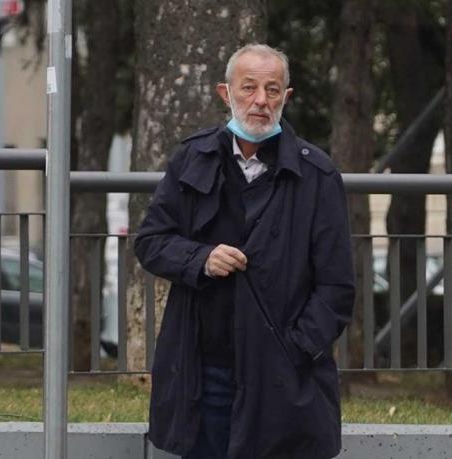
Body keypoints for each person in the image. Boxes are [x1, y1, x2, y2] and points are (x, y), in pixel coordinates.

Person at [134, 43, 355, 459]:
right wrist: (201, 259)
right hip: (205, 370)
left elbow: (337, 287)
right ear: (226, 93)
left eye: (272, 90)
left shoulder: (317, 174)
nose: (260, 101)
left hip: (283, 377)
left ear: (286, 97)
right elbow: (150, 241)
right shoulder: (191, 158)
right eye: (248, 87)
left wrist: (296, 349)